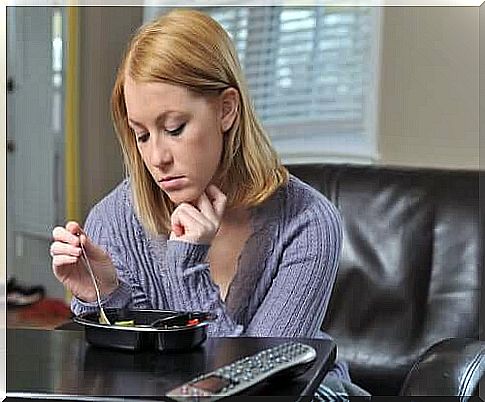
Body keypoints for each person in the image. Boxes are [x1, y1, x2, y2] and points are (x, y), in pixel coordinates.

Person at [50, 8, 370, 400]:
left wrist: (188, 266)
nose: (157, 158)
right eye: (142, 135)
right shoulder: (115, 218)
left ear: (226, 109)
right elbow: (121, 375)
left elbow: (254, 384)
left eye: (174, 128)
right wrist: (103, 294)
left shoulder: (308, 224)